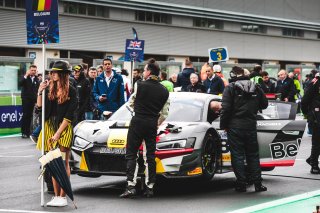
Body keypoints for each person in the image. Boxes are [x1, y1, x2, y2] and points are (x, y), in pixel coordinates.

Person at [120, 58, 170, 198]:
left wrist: (138, 111)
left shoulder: (139, 84)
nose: (143, 72)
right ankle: (150, 187)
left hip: (138, 120)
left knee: (131, 154)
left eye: (145, 70)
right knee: (150, 156)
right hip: (152, 122)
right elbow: (165, 113)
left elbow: (130, 103)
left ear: (149, 72)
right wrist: (156, 121)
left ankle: (131, 186)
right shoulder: (165, 90)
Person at [220, 66, 268, 192]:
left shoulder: (230, 88)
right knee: (253, 155)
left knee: (237, 156)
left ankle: (241, 184)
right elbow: (265, 104)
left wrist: (223, 125)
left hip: (235, 127)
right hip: (251, 126)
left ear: (233, 75)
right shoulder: (256, 87)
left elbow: (225, 109)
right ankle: (258, 184)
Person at [36, 60, 77, 207]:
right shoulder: (48, 88)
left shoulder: (72, 90)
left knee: (64, 161)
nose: (52, 74)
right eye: (51, 72)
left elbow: (69, 115)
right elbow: (40, 108)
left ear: (62, 74)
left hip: (63, 127)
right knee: (53, 162)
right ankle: (56, 194)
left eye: (55, 72)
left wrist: (58, 133)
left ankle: (63, 196)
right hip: (49, 126)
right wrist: (40, 91)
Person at [301, 73, 320, 174]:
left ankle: (312, 159)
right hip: (317, 116)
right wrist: (308, 114)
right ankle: (314, 165)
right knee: (317, 141)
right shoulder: (314, 83)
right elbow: (304, 101)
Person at [19, 64, 40, 138]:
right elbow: (20, 83)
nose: (33, 72)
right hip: (26, 99)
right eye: (32, 70)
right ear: (29, 70)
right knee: (26, 115)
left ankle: (29, 132)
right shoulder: (25, 77)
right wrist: (26, 75)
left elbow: (37, 89)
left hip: (34, 100)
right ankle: (24, 132)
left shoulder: (36, 79)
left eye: (34, 70)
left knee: (32, 116)